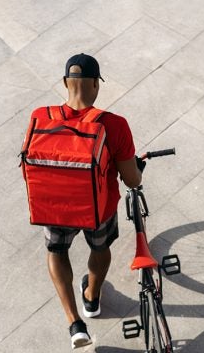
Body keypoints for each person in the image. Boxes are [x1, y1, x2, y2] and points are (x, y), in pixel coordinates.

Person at [28, 53, 144, 349]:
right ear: (95, 84)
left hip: (52, 207)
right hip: (98, 210)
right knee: (100, 248)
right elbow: (132, 180)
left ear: (66, 82)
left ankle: (74, 324)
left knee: (56, 250)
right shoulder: (114, 125)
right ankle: (91, 298)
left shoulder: (40, 116)